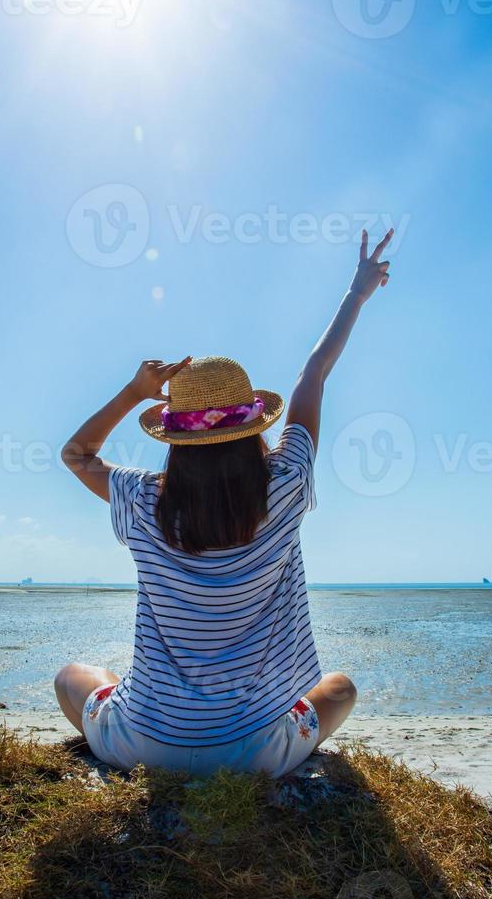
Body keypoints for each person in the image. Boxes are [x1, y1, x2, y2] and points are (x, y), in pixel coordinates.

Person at [57, 228, 395, 775]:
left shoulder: (144, 500)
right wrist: (356, 293)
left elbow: (77, 454)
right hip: (252, 753)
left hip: (145, 744)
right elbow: (315, 372)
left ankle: (145, 705)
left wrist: (134, 390)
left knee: (72, 675)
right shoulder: (286, 484)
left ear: (175, 443)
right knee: (340, 689)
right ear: (254, 425)